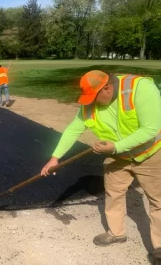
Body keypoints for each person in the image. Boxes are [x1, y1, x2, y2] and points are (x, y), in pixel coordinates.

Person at [40, 70, 161, 263]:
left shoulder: (139, 89)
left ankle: (159, 248)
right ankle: (116, 233)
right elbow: (74, 129)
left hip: (151, 154)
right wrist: (55, 157)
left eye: (94, 97)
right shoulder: (90, 105)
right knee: (113, 194)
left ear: (107, 88)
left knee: (158, 201)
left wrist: (116, 146)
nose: (91, 102)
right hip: (118, 156)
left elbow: (150, 129)